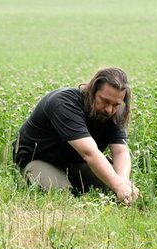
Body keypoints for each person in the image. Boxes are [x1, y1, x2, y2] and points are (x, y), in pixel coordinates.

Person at [12, 67, 139, 205]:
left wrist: (123, 181)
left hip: (76, 161)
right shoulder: (64, 103)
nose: (109, 109)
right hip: (40, 158)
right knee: (62, 198)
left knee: (116, 191)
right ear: (92, 91)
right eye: (105, 101)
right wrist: (118, 185)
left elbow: (120, 151)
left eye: (116, 104)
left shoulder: (115, 111)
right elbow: (89, 152)